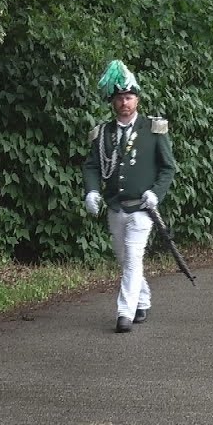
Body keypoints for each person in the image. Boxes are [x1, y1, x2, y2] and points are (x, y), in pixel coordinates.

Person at [84, 60, 178, 333]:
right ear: (113, 102)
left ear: (137, 99)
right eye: (120, 98)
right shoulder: (103, 132)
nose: (125, 102)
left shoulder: (153, 128)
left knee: (133, 256)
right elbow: (91, 165)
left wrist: (156, 193)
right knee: (125, 259)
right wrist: (91, 190)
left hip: (142, 207)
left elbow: (168, 167)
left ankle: (124, 312)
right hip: (116, 206)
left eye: (129, 97)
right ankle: (143, 299)